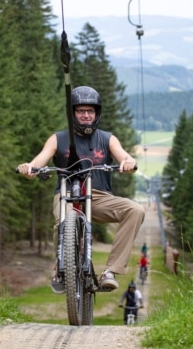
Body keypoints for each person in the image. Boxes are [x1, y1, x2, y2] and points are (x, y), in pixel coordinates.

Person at [17, 86, 145, 293]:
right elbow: (38, 162)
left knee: (135, 210)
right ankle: (61, 267)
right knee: (64, 220)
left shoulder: (107, 139)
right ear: (73, 113)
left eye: (90, 111)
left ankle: (111, 271)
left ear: (97, 113)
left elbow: (124, 156)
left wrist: (129, 162)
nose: (86, 115)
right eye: (81, 111)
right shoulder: (58, 138)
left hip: (99, 197)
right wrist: (29, 168)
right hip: (67, 194)